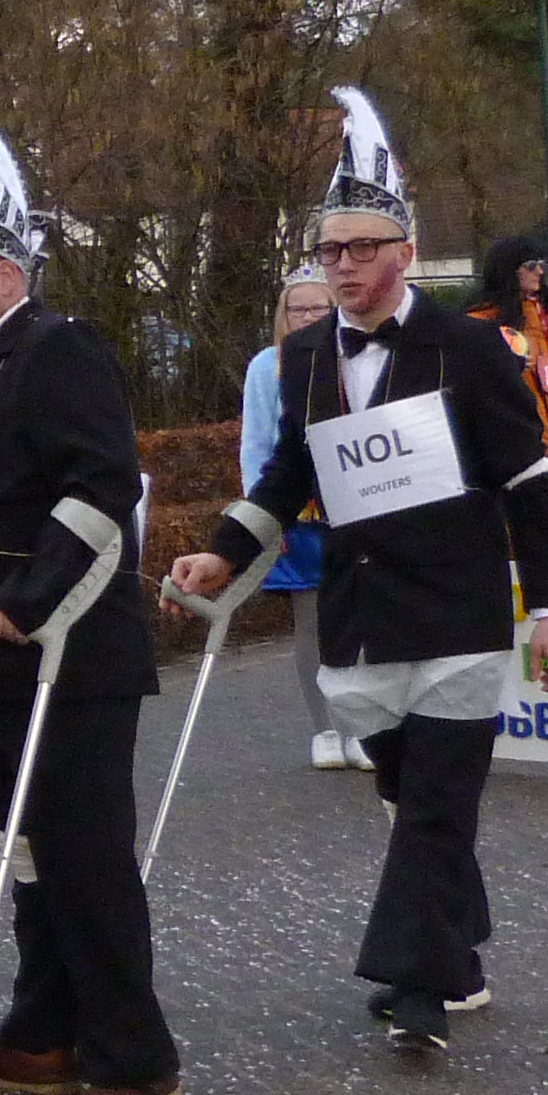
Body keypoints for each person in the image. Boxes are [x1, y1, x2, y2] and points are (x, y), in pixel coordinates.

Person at [169, 90, 548, 1053]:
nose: (344, 267)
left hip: (459, 614)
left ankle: (413, 988)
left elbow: (530, 485)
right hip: (365, 618)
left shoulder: (472, 347)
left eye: (361, 249)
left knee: (438, 803)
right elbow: (288, 473)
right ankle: (460, 948)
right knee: (410, 800)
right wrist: (222, 551)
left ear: (403, 251)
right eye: (329, 252)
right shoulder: (306, 356)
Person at [0, 112, 181, 1095]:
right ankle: (42, 1037)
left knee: (87, 859)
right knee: (32, 856)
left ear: (9, 277)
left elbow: (100, 488)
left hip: (67, 659)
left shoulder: (61, 354)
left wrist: (26, 600)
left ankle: (135, 1060)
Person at [231, 263, 355, 768]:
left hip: (352, 501)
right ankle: (324, 728)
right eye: (297, 307)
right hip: (299, 511)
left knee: (359, 616)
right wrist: (260, 517)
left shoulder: (352, 353)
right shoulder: (267, 367)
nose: (307, 316)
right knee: (311, 622)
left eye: (317, 306)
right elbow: (256, 442)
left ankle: (363, 726)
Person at [466, 233, 548, 446]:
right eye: (532, 265)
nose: (540, 272)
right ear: (510, 270)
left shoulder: (539, 316)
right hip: (514, 443)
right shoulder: (479, 323)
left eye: (541, 264)